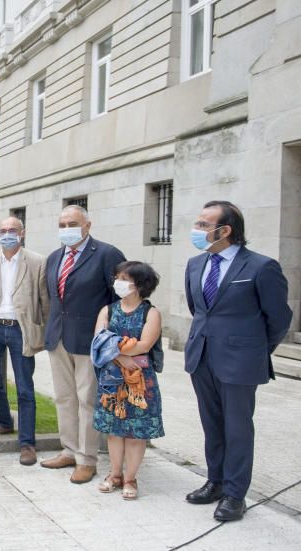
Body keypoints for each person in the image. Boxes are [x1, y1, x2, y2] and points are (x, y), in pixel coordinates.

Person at [184, 201, 292, 522]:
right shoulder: (194, 264)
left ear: (225, 230)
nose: (198, 230)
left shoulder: (261, 267)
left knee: (238, 429)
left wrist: (253, 349)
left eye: (204, 225)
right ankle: (214, 482)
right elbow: (198, 308)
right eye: (199, 223)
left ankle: (235, 494)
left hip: (240, 362)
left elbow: (279, 319)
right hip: (201, 356)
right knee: (212, 424)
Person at [41, 205, 126, 484]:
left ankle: (87, 458)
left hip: (90, 340)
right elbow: (51, 298)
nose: (66, 229)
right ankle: (68, 449)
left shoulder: (106, 254)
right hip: (59, 337)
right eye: (62, 224)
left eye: (72, 223)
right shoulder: (54, 257)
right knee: (64, 398)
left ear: (87, 225)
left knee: (87, 400)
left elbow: (121, 298)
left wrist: (111, 335)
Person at [0, 217, 49, 466]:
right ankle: (4, 422)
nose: (7, 234)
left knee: (25, 388)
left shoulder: (37, 261)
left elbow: (44, 300)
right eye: (3, 231)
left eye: (12, 230)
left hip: (21, 330)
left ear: (22, 233)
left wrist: (45, 330)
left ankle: (27, 443)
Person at [92, 261, 164, 499]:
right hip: (112, 378)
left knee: (135, 432)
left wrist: (117, 349)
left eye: (124, 278)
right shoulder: (108, 310)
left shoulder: (150, 313)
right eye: (117, 277)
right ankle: (114, 474)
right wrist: (121, 356)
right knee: (114, 430)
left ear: (139, 284)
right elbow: (99, 340)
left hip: (140, 381)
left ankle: (131, 478)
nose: (118, 282)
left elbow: (145, 344)